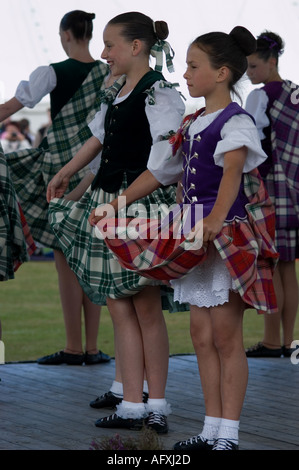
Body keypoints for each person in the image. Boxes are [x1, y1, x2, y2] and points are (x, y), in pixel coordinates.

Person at [91, 26, 278, 450]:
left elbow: (232, 173)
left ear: (222, 73)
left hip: (224, 236)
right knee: (200, 334)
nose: (186, 74)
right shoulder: (194, 123)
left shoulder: (237, 121)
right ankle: (211, 428)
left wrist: (213, 219)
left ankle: (228, 433)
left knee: (227, 336)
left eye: (194, 67)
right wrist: (118, 203)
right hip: (193, 234)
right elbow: (162, 171)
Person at [47, 11, 186, 433]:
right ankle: (130, 405)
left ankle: (156, 404)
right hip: (109, 201)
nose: (104, 53)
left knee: (144, 307)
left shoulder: (159, 94)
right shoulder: (116, 90)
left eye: (110, 45)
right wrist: (66, 171)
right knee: (119, 305)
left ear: (136, 47)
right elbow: (98, 138)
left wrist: (120, 201)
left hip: (137, 206)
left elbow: (164, 166)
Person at [0, 10, 112, 365]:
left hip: (59, 171)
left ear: (65, 34)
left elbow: (12, 107)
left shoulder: (53, 72)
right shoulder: (109, 72)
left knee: (65, 258)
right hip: (96, 169)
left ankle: (73, 347)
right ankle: (91, 348)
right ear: (90, 35)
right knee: (91, 254)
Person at [245, 31, 299, 358]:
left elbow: (252, 143)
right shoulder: (295, 92)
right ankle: (288, 339)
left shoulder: (260, 96)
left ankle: (271, 341)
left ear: (272, 61)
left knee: (272, 265)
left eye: (253, 66)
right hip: (295, 189)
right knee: (289, 268)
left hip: (270, 188)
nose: (249, 73)